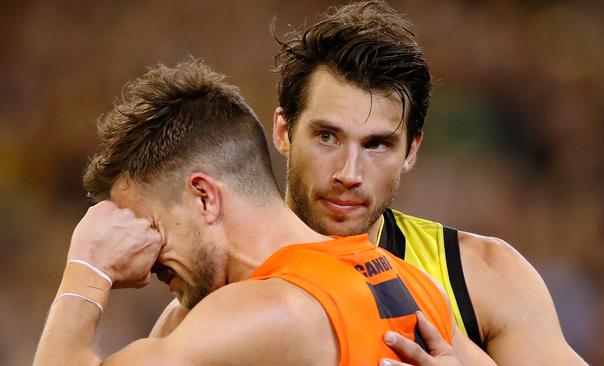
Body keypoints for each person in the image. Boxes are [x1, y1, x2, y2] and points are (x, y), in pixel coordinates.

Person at [33, 60, 494, 366]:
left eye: (148, 226)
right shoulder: (409, 282)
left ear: (204, 198)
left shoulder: (269, 311)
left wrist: (86, 270)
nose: (144, 254)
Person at [268, 1, 587, 365]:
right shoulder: (221, 273)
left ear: (410, 152)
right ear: (283, 131)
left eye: (377, 144)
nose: (349, 173)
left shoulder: (483, 277)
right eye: (327, 137)